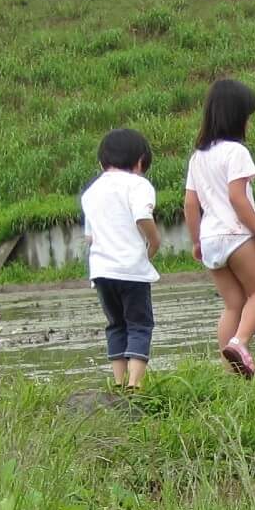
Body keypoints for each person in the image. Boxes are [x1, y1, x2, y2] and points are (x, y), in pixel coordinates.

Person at [185, 77, 255, 377]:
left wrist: (196, 241)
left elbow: (189, 204)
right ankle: (240, 342)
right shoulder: (236, 152)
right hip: (236, 234)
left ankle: (229, 369)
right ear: (238, 118)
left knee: (233, 304)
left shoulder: (198, 157)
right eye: (248, 117)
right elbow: (237, 197)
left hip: (210, 238)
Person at [80, 128, 160, 389]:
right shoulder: (138, 184)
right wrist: (154, 241)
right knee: (139, 324)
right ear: (139, 162)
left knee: (115, 325)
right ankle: (135, 384)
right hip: (131, 270)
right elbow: (142, 216)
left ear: (102, 162)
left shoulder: (91, 192)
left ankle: (118, 382)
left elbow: (89, 238)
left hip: (101, 271)